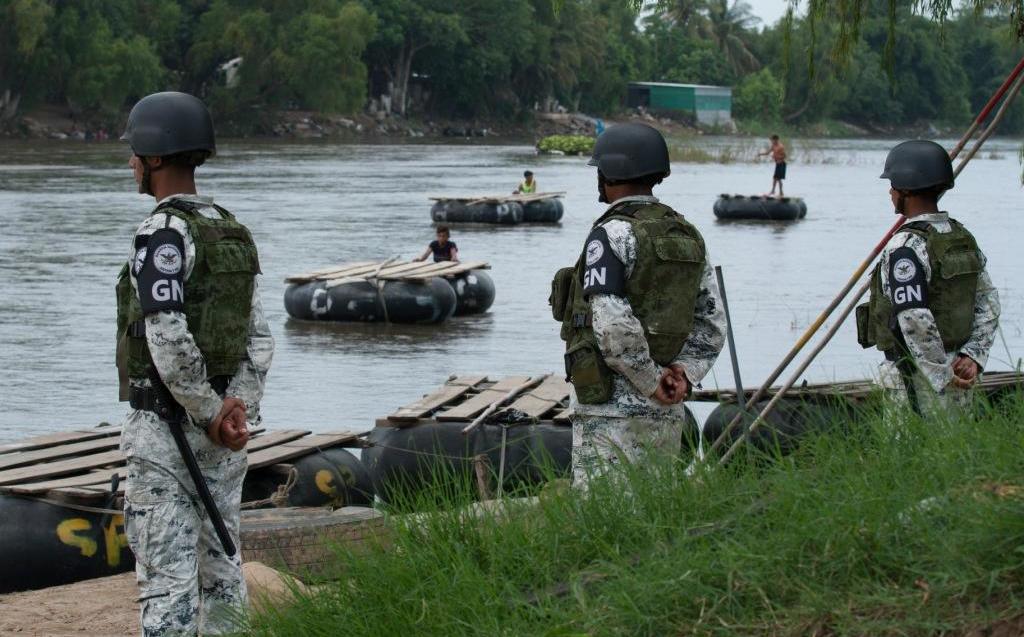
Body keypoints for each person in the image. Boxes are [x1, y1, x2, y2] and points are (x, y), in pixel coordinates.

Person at [116, 91, 274, 635]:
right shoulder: (233, 231)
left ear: (156, 157)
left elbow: (166, 335)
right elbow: (259, 338)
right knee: (224, 575)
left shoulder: (161, 233)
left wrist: (208, 412)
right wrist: (236, 411)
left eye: (136, 153)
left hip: (165, 435)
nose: (131, 163)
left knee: (167, 586)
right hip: (226, 440)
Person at [550, 122, 726, 488]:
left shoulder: (610, 234)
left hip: (610, 410)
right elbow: (711, 321)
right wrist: (683, 375)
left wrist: (650, 380)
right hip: (668, 406)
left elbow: (612, 323)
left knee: (603, 509)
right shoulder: (687, 234)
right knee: (655, 504)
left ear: (611, 173)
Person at [857, 139, 999, 417]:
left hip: (915, 379)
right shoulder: (962, 237)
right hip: (961, 370)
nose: (890, 191)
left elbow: (913, 317)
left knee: (910, 446)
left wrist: (942, 376)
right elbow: (988, 301)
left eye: (893, 185)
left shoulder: (905, 247)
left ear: (906, 189)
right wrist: (972, 356)